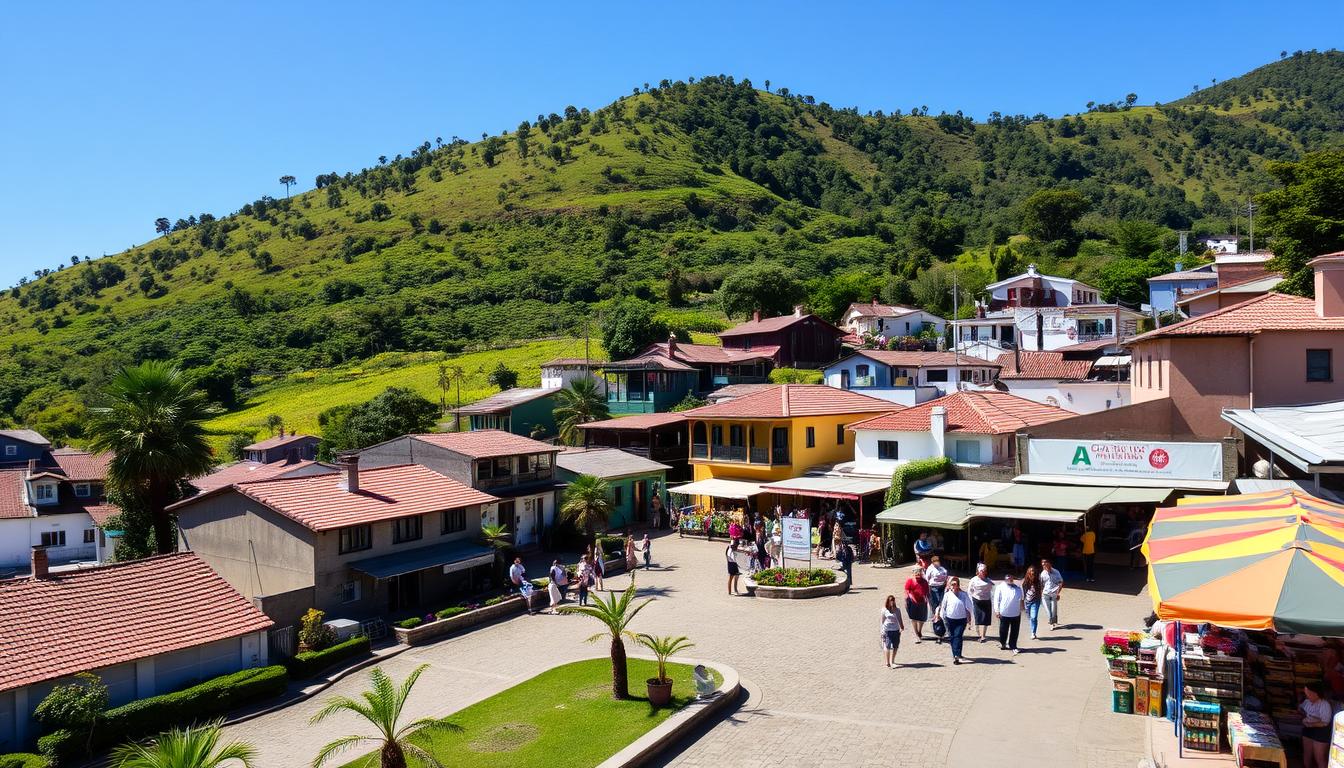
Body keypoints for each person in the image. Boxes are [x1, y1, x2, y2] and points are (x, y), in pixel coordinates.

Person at [934, 576, 974, 664]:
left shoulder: (964, 594)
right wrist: (942, 617)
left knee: (958, 635)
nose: (953, 586)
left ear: (958, 585)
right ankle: (956, 654)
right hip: (950, 619)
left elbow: (969, 606)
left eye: (955, 584)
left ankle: (956, 655)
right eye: (952, 584)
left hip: (961, 619)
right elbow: (943, 607)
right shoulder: (947, 595)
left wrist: (969, 618)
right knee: (952, 637)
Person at [1300, 680, 1332, 768]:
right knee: (1307, 754)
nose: (1307, 695)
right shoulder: (1307, 702)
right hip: (1308, 730)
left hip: (1321, 732)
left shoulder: (1324, 704)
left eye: (1309, 693)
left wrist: (1312, 723)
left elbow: (1325, 722)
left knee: (1319, 757)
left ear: (1316, 693)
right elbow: (1301, 709)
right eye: (1306, 692)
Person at [992, 572, 1024, 653]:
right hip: (1004, 613)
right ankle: (1003, 643)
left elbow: (1021, 599)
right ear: (1005, 579)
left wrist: (1022, 609)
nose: (1010, 580)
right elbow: (996, 599)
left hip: (1016, 613)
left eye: (1011, 579)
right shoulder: (1000, 587)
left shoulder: (1017, 588)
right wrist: (997, 610)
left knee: (1015, 631)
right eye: (1008, 579)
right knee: (1003, 630)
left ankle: (1013, 645)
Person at [967, 563, 994, 643]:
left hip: (986, 601)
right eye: (981, 571)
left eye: (984, 571)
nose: (983, 572)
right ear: (978, 572)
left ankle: (983, 635)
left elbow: (992, 589)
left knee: (985, 619)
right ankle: (978, 634)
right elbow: (969, 590)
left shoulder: (988, 580)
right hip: (976, 600)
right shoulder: (973, 580)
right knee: (977, 618)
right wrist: (971, 599)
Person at [904, 566, 929, 641]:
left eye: (919, 573)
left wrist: (927, 597)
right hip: (912, 602)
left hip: (922, 602)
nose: (918, 575)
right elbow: (907, 590)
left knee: (922, 618)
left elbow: (927, 591)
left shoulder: (924, 581)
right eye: (916, 573)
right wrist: (909, 597)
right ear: (913, 574)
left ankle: (919, 631)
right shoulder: (910, 581)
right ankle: (916, 634)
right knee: (913, 619)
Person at [881, 595, 906, 669]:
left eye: (893, 600)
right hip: (887, 630)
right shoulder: (884, 610)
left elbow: (900, 618)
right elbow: (882, 621)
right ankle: (887, 663)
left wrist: (902, 627)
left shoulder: (897, 610)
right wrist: (882, 631)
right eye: (890, 601)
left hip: (896, 630)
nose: (892, 602)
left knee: (896, 646)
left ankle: (893, 661)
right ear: (888, 602)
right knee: (887, 646)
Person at [1040, 558, 1064, 630]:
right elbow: (1041, 585)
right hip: (1045, 594)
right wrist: (1041, 593)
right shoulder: (1042, 573)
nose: (1044, 566)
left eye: (1045, 564)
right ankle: (1051, 623)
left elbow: (1060, 582)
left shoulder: (1056, 572)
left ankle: (1054, 620)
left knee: (1054, 609)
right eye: (1042, 565)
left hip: (1054, 593)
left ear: (1049, 563)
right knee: (1048, 609)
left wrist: (1058, 593)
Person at [1022, 565, 1044, 640]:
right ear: (1028, 573)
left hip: (1035, 601)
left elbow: (1041, 590)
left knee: (1033, 617)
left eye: (1033, 571)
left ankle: (1033, 632)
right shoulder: (1025, 582)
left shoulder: (1038, 581)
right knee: (1030, 617)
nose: (1032, 572)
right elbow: (1023, 593)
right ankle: (1033, 627)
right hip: (1027, 601)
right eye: (1031, 571)